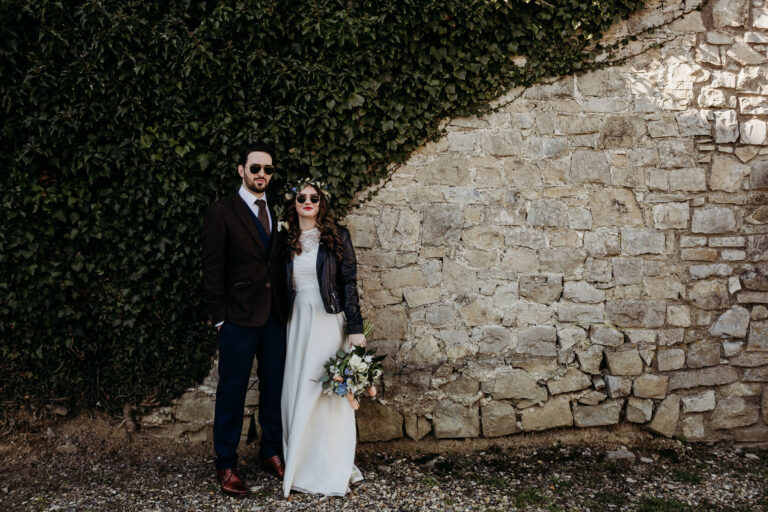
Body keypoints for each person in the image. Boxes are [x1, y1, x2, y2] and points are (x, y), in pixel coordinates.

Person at [201, 143, 289, 497]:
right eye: (255, 169)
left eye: (267, 170)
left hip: (274, 317)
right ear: (241, 170)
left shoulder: (277, 210)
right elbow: (212, 269)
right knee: (232, 392)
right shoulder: (221, 211)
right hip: (237, 318)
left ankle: (270, 451)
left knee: (274, 389)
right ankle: (225, 463)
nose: (261, 176)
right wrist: (220, 319)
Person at [281, 180, 366, 497]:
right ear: (294, 202)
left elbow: (348, 283)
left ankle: (332, 464)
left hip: (329, 320)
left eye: (313, 197)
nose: (307, 201)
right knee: (299, 389)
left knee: (329, 392)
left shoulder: (337, 235)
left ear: (321, 202)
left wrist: (355, 328)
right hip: (297, 322)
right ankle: (301, 464)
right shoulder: (285, 238)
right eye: (301, 197)